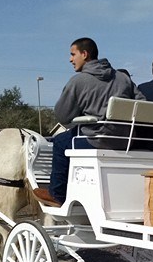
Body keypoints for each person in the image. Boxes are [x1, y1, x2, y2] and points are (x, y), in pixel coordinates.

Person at [34, 37, 144, 206]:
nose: (70, 59)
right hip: (126, 140)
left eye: (73, 54)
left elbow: (62, 116)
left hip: (96, 139)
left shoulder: (79, 81)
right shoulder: (123, 78)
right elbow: (141, 105)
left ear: (84, 54)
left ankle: (57, 194)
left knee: (60, 141)